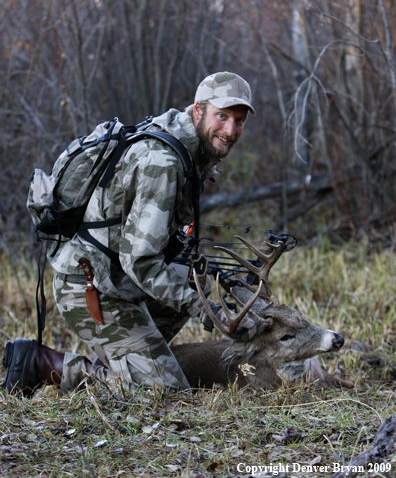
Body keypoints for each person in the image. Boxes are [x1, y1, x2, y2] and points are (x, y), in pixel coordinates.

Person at [3, 72, 258, 396]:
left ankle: (133, 358)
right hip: (89, 286)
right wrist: (203, 306)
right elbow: (140, 262)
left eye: (239, 121)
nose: (230, 130)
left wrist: (212, 289)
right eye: (221, 116)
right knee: (166, 392)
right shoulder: (164, 162)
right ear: (198, 110)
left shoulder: (188, 148)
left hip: (117, 277)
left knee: (194, 277)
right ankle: (43, 364)